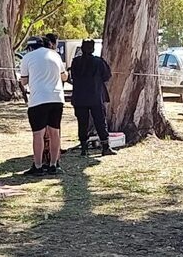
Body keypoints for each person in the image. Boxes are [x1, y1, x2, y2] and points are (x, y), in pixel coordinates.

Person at [20, 32, 67, 176]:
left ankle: (38, 166)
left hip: (38, 100)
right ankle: (54, 164)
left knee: (38, 134)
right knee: (55, 132)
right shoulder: (55, 55)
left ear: (30, 48)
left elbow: (24, 81)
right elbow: (64, 76)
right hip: (57, 99)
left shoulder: (27, 58)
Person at [70, 39, 116, 157]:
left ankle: (84, 148)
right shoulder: (98, 62)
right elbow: (107, 76)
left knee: (82, 122)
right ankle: (105, 146)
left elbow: (72, 77)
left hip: (80, 97)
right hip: (95, 96)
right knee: (100, 121)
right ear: (93, 49)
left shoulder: (75, 62)